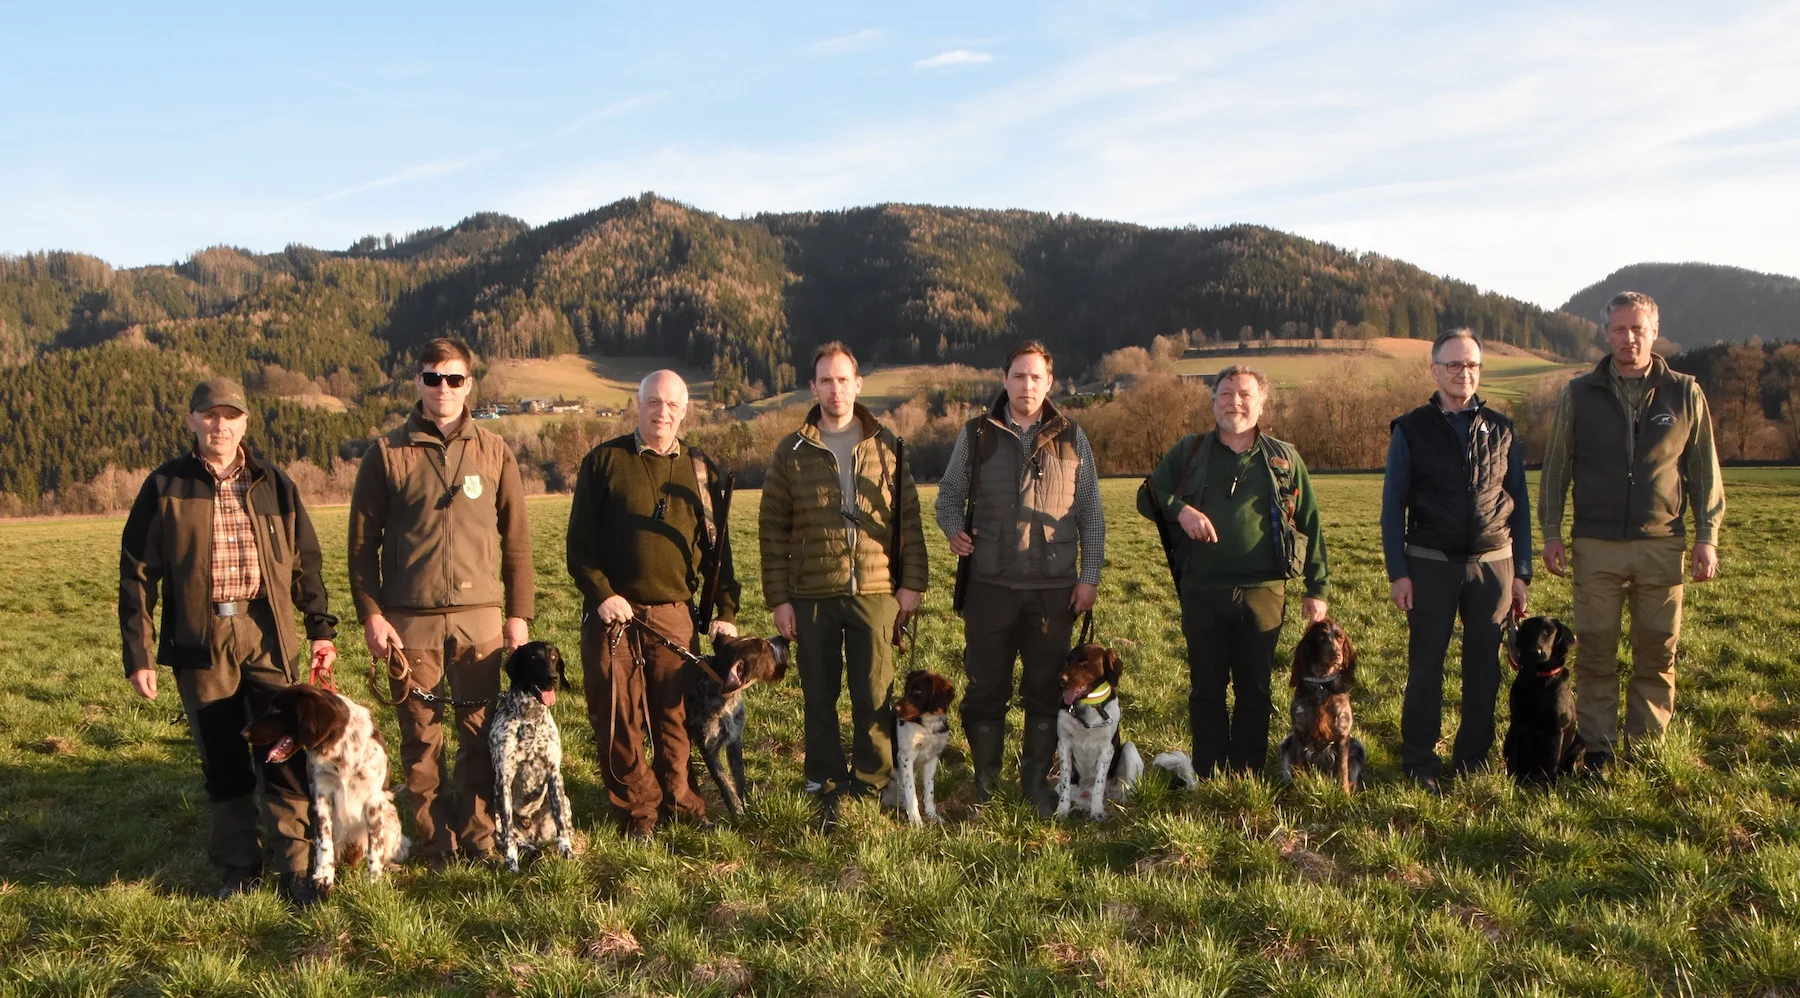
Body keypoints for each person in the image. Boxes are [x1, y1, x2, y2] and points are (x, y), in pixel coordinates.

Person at [119, 378, 339, 905]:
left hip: (269, 631)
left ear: (246, 423)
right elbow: (137, 574)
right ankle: (239, 865)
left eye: (230, 416)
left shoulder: (274, 482)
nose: (220, 425)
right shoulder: (165, 485)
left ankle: (297, 864)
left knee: (285, 750)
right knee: (222, 754)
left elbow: (306, 562)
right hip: (201, 636)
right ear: (192, 421)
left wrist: (320, 629)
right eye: (209, 415)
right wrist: (139, 653)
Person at [348, 338, 534, 865]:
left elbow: (517, 543)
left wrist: (518, 617)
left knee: (479, 737)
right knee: (420, 743)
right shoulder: (386, 453)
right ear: (418, 383)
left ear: (469, 384)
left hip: (481, 626)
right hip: (411, 628)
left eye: (454, 379)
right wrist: (373, 616)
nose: (443, 389)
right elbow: (361, 548)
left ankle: (479, 837)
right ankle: (435, 844)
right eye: (433, 378)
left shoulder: (494, 452)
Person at [1539, 291, 1724, 768]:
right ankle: (1597, 749)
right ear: (1606, 334)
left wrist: (1708, 535)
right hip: (1595, 544)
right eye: (1619, 329)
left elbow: (1704, 471)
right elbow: (1557, 467)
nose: (1628, 338)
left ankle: (1646, 749)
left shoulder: (1685, 393)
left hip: (1662, 544)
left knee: (1657, 652)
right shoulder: (1579, 393)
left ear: (1654, 332)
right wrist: (1552, 531)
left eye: (1637, 329)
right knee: (1596, 651)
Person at [567, 370, 740, 839]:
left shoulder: (700, 471)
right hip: (612, 615)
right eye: (653, 402)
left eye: (672, 405)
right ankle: (637, 814)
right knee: (617, 717)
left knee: (675, 718)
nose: (662, 412)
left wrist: (725, 612)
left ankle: (682, 805)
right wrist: (602, 595)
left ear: (684, 411)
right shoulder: (603, 461)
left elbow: (717, 552)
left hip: (674, 613)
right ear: (637, 405)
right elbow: (579, 547)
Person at [934, 340, 1104, 814]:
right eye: (1018, 375)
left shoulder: (1074, 437)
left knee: (1047, 690)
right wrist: (954, 532)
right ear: (1004, 379)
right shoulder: (976, 434)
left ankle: (1035, 783)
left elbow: (1091, 512)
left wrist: (1088, 576)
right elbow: (946, 498)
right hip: (990, 587)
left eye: (1036, 377)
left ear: (1049, 383)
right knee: (986, 688)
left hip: (1054, 590)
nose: (1027, 384)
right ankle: (986, 782)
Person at [760, 342, 927, 823]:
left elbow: (908, 521)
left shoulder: (888, 446)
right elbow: (772, 530)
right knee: (818, 694)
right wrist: (779, 600)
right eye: (825, 381)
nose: (835, 389)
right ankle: (825, 780)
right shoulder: (791, 451)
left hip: (875, 593)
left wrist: (910, 583)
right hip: (810, 594)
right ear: (813, 387)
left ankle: (872, 782)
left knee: (874, 694)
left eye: (843, 379)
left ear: (858, 384)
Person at [1143, 365, 1328, 778]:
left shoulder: (1284, 457)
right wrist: (1182, 510)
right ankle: (1208, 770)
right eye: (1225, 394)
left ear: (1262, 402)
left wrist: (1318, 587)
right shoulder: (1189, 452)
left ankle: (1245, 770)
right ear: (1213, 402)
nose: (1234, 402)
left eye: (1244, 394)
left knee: (1255, 690)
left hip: (1264, 591)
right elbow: (1149, 496)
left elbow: (1310, 523)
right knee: (1205, 689)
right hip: (1202, 588)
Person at [1382, 329, 1532, 792]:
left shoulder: (1502, 429)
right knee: (1426, 666)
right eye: (1453, 365)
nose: (1463, 373)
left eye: (1471, 365)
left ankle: (1473, 759)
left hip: (1494, 565)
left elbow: (1520, 504)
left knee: (1484, 668)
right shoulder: (1410, 429)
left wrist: (1521, 572)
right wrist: (1399, 572)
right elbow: (1393, 506)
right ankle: (1420, 762)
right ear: (1434, 370)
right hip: (1428, 563)